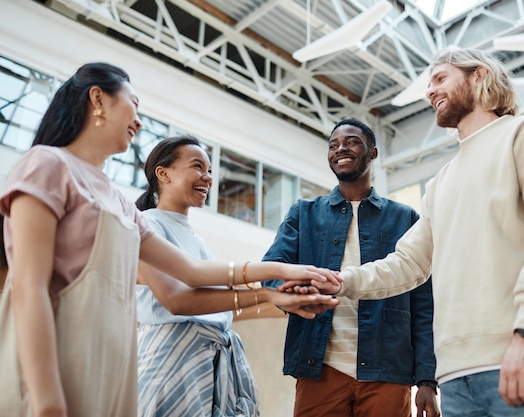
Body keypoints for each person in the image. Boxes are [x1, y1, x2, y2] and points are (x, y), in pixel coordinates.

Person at [0, 62, 340, 417]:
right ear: (98, 99)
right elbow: (28, 286)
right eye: (133, 103)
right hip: (54, 357)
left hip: (112, 365)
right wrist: (47, 400)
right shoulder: (47, 164)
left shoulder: (119, 202)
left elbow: (191, 271)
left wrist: (282, 274)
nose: (140, 121)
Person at [288, 47, 524, 417]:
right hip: (458, 377)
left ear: (479, 75)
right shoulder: (442, 181)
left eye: (440, 78)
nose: (430, 91)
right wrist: (340, 281)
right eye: (428, 85)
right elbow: (407, 264)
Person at [135, 134, 338, 417]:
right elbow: (178, 301)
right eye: (197, 167)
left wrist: (283, 299)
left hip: (210, 360)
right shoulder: (146, 224)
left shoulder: (196, 238)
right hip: (171, 359)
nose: (207, 178)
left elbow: (215, 305)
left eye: (209, 171)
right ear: (163, 173)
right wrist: (275, 281)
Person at [263, 118, 439, 417]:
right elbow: (271, 272)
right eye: (333, 145)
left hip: (388, 370)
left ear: (373, 152)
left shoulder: (405, 218)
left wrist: (427, 379)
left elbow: (424, 304)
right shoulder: (303, 213)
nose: (340, 148)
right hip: (319, 368)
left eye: (352, 141)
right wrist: (292, 294)